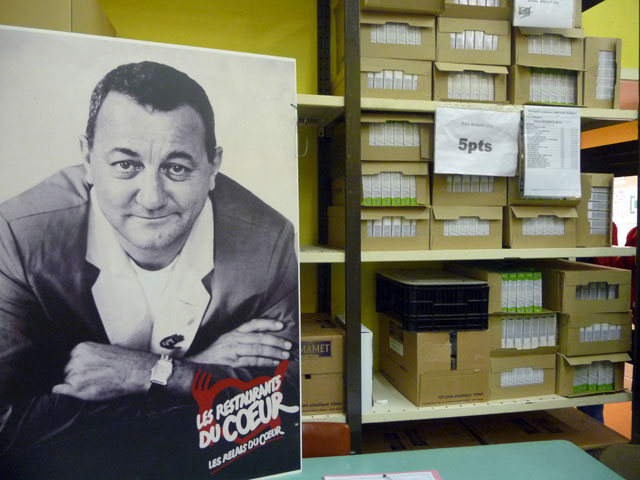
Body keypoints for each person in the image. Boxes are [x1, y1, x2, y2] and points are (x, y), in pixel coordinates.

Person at [0, 61, 299, 479]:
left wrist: (151, 373)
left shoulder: (268, 242)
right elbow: (7, 431)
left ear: (213, 167)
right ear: (87, 158)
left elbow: (287, 408)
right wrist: (198, 370)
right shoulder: (19, 236)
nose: (152, 198)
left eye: (177, 168)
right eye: (127, 165)